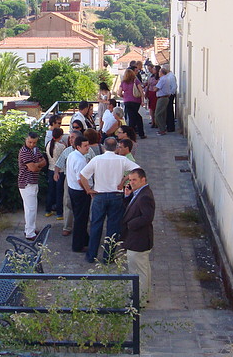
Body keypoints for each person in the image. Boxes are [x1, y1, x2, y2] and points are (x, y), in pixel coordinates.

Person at [79, 137, 139, 263]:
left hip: (99, 195)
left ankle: (91, 255)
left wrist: (88, 190)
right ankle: (109, 257)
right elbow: (138, 170)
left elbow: (82, 175)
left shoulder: (97, 159)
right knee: (113, 228)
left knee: (96, 226)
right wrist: (124, 180)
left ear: (104, 147)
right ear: (116, 147)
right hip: (116, 196)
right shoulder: (122, 160)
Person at [121, 168, 155, 306]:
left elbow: (147, 217)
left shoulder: (145, 196)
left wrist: (130, 224)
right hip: (138, 239)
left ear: (143, 180)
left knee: (137, 271)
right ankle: (143, 296)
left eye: (134, 180)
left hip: (138, 239)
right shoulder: (139, 193)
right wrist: (127, 197)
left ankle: (139, 301)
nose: (131, 182)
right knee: (143, 269)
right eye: (130, 179)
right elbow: (131, 209)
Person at [17, 132, 47, 240]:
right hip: (26, 182)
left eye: (34, 142)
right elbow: (33, 168)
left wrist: (36, 165)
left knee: (31, 208)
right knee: (31, 208)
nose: (31, 144)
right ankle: (30, 233)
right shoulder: (24, 152)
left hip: (32, 181)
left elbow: (43, 162)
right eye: (30, 142)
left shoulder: (34, 149)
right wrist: (38, 165)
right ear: (26, 140)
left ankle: (30, 229)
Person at [65, 136, 92, 252]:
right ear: (78, 147)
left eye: (88, 145)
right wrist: (88, 190)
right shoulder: (80, 160)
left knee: (79, 216)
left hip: (72, 189)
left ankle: (85, 239)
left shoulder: (72, 155)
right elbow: (81, 180)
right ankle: (77, 245)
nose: (88, 148)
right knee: (81, 219)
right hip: (80, 192)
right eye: (85, 146)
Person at [118, 68, 146, 140]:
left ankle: (133, 134)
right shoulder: (136, 81)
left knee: (132, 117)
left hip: (127, 101)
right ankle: (137, 134)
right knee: (136, 117)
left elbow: (119, 93)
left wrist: (124, 96)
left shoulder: (123, 82)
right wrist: (143, 101)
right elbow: (141, 91)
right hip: (136, 101)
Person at [45, 127, 66, 218]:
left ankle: (48, 210)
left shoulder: (49, 144)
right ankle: (59, 213)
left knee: (50, 191)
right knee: (59, 192)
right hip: (60, 171)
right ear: (60, 136)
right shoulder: (62, 146)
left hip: (50, 169)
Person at [163, 64, 178, 133]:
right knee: (167, 111)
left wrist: (170, 93)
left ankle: (171, 127)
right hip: (168, 94)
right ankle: (168, 125)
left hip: (170, 95)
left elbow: (174, 86)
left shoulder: (171, 76)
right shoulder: (168, 76)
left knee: (169, 111)